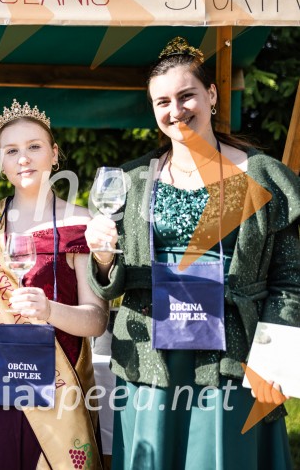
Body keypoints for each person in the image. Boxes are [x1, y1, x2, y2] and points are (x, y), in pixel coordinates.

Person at [84, 37, 299, 469]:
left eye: (187, 96)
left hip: (235, 356)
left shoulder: (263, 175)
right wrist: (104, 258)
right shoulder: (129, 181)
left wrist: (274, 359)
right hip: (152, 361)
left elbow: (291, 279)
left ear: (212, 96)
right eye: (162, 101)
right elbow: (111, 281)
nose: (176, 110)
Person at [0, 100, 108, 470]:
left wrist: (49, 310)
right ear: (1, 161)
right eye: (12, 151)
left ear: (54, 154)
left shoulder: (83, 223)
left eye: (34, 147)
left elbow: (96, 320)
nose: (23, 158)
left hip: (57, 388)